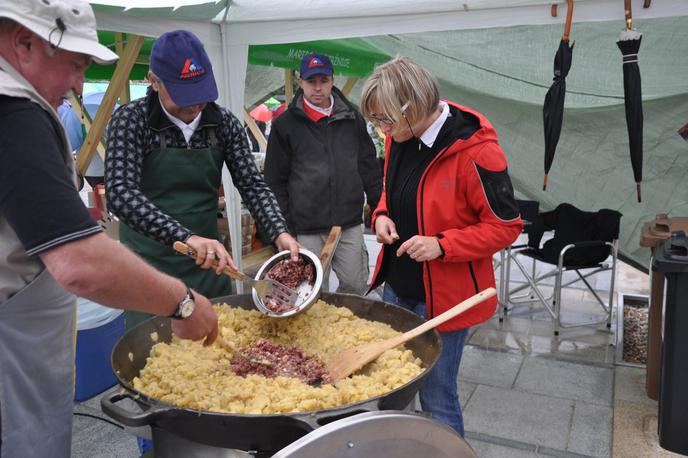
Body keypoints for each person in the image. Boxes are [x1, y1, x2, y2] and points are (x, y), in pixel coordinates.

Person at [0, 2, 218, 457]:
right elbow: (79, 262)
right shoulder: (14, 113)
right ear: (23, 44)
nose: (79, 85)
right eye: (75, 66)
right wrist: (182, 303)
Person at [360, 56, 523, 436]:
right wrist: (381, 215)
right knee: (390, 387)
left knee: (437, 397)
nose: (382, 130)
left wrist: (442, 245)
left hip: (444, 300)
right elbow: (392, 189)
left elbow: (505, 227)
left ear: (412, 108)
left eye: (385, 120)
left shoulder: (477, 151)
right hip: (396, 285)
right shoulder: (398, 134)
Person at [105, 30, 299, 328]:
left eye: (200, 93)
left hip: (208, 266)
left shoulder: (222, 123)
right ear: (153, 81)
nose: (194, 105)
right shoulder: (132, 120)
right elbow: (121, 192)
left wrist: (278, 232)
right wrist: (185, 237)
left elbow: (252, 184)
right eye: (183, 95)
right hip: (147, 267)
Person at [264, 53, 382, 295]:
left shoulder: (351, 117)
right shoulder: (285, 125)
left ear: (332, 80)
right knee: (310, 292)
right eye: (311, 81)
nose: (317, 88)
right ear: (300, 81)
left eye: (323, 80)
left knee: (356, 285)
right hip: (306, 228)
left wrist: (379, 208)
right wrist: (284, 227)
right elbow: (275, 180)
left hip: (348, 222)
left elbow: (369, 165)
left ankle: (347, 332)